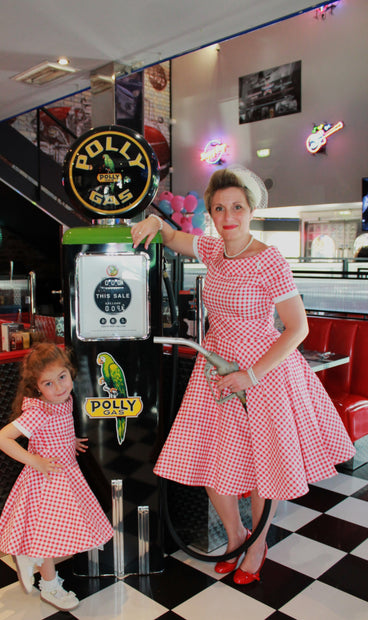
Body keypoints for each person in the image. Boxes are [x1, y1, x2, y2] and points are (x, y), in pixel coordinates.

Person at [131, 166, 355, 585]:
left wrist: (251, 375)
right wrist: (155, 221)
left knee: (261, 463)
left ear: (251, 209)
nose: (228, 215)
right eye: (219, 208)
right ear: (211, 215)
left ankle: (257, 544)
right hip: (215, 367)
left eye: (237, 206)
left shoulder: (269, 259)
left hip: (260, 370)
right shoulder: (215, 250)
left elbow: (297, 328)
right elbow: (173, 237)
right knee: (208, 460)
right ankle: (236, 534)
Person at [0, 343, 114, 611]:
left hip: (65, 474)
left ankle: (28, 556)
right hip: (46, 480)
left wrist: (68, 441)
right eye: (48, 383)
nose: (59, 387)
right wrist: (34, 460)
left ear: (70, 373)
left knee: (54, 534)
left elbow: (54, 430)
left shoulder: (65, 400)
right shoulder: (37, 411)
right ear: (37, 388)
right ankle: (49, 585)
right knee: (47, 538)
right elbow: (2, 438)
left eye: (62, 377)